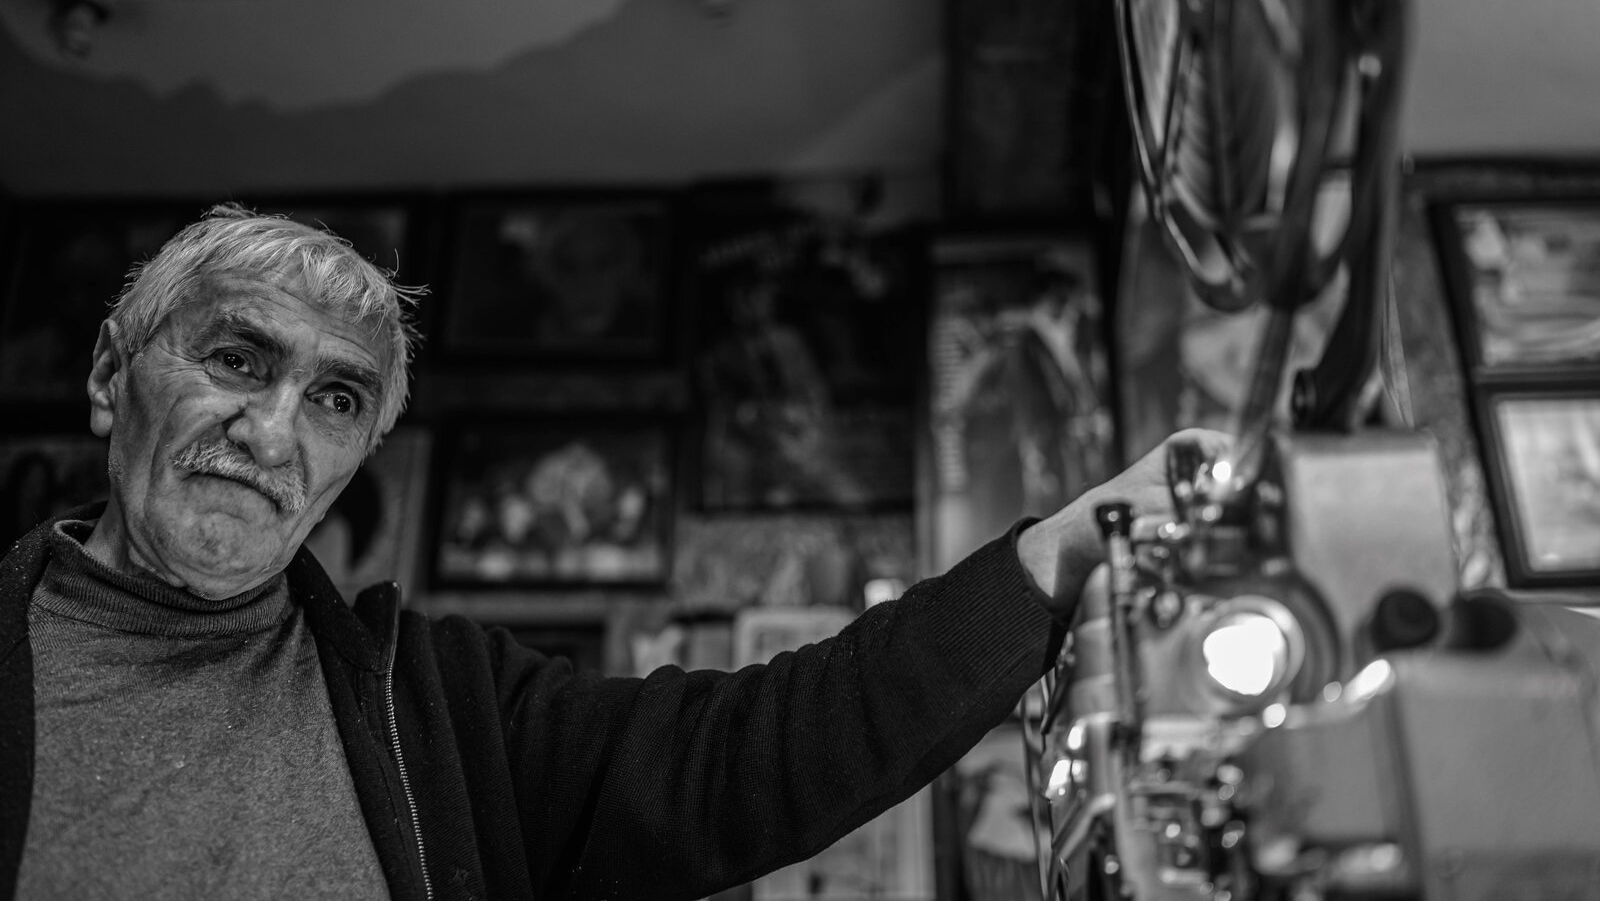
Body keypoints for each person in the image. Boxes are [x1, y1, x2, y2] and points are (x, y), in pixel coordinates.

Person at [0, 204, 1222, 901]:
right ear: (111, 375)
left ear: (357, 455)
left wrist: (1058, 557)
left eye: (334, 401)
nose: (271, 434)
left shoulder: (437, 705)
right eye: (236, 360)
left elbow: (754, 756)